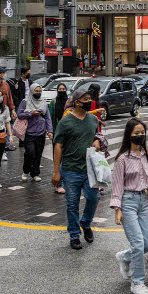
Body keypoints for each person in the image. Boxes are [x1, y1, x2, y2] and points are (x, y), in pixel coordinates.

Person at [111, 118, 148, 294]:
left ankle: (125, 257)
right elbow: (117, 184)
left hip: (143, 201)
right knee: (138, 243)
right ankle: (137, 283)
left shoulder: (146, 155)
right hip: (127, 201)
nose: (140, 136)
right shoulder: (122, 158)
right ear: (129, 135)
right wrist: (117, 209)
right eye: (136, 133)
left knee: (145, 243)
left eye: (142, 133)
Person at [52, 86, 101, 250]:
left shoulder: (93, 120)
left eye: (90, 99)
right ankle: (74, 234)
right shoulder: (65, 122)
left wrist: (97, 141)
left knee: (94, 199)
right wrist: (56, 171)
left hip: (90, 169)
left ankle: (86, 223)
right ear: (77, 102)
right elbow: (58, 146)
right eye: (86, 99)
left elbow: (98, 136)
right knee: (72, 204)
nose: (89, 102)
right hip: (70, 169)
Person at [17, 82, 52, 183]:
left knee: (38, 154)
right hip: (29, 132)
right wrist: (30, 113)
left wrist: (50, 131)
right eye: (36, 91)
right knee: (30, 153)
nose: (38, 93)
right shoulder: (25, 101)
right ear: (32, 91)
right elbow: (19, 114)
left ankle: (35, 173)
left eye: (40, 91)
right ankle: (25, 171)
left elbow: (47, 117)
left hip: (41, 132)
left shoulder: (43, 102)